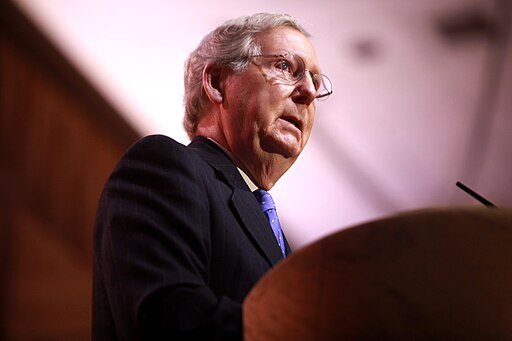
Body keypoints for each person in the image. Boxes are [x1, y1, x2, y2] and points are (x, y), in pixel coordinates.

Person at [92, 12, 332, 341]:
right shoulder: (164, 166)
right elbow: (167, 317)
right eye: (284, 67)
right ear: (218, 83)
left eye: (315, 82)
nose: (307, 91)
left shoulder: (286, 247)